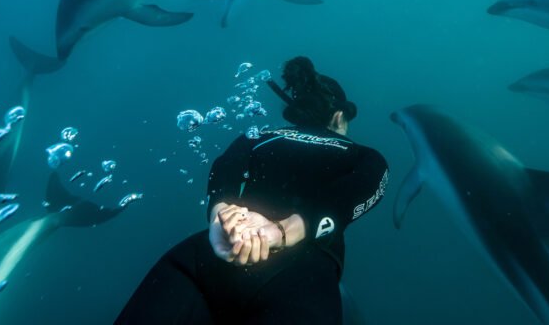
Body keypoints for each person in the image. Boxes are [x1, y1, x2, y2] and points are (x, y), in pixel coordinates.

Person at [116, 56, 389, 324]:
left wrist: (220, 217)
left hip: (212, 251)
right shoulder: (361, 154)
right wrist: (279, 232)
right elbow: (361, 189)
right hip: (302, 275)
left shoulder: (259, 137)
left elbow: (225, 169)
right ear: (339, 117)